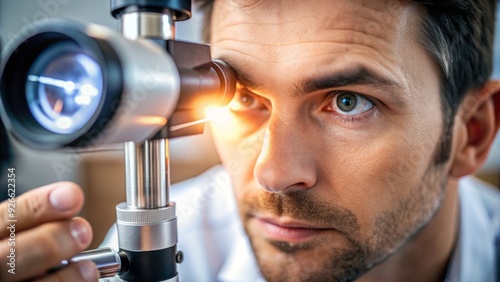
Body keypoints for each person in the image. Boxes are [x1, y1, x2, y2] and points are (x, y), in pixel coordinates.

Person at [1, 0, 500, 281]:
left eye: (348, 102)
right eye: (239, 96)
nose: (272, 172)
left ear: (470, 133)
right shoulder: (174, 245)